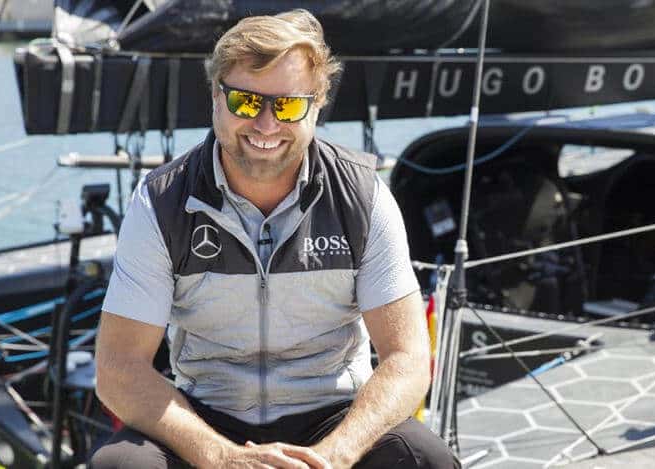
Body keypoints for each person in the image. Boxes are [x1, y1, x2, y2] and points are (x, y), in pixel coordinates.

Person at [90, 9, 458, 469]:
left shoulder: (363, 197)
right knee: (119, 465)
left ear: (317, 105)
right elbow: (118, 368)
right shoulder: (161, 202)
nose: (266, 125)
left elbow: (407, 358)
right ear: (216, 96)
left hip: (333, 416)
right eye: (246, 102)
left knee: (425, 458)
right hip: (207, 416)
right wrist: (220, 456)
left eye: (287, 106)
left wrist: (333, 456)